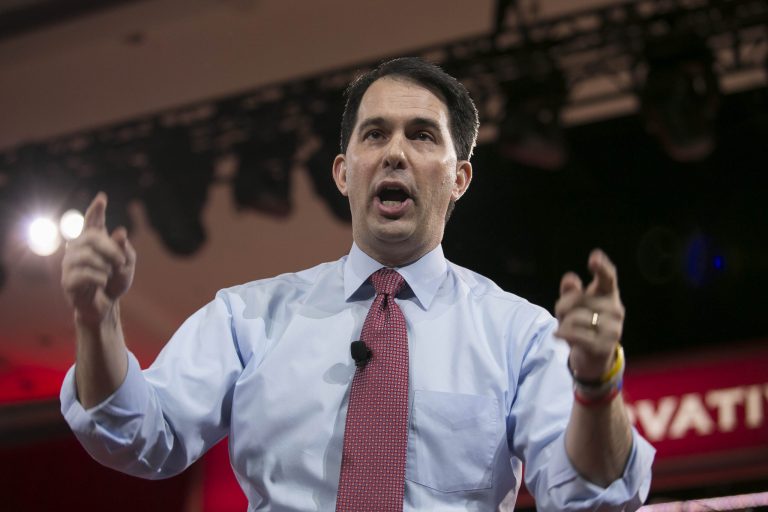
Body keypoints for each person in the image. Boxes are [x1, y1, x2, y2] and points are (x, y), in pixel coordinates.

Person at [60, 57, 654, 511]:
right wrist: (98, 321)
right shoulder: (247, 318)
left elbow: (592, 497)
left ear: (460, 178)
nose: (395, 153)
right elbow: (140, 436)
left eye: (422, 135)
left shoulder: (518, 333)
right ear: (344, 174)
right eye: (374, 134)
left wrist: (597, 384)